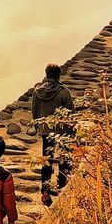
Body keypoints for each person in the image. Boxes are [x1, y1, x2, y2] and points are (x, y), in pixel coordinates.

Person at [30, 64, 75, 206]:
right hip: (62, 132)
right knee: (64, 158)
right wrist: (71, 130)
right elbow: (70, 113)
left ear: (46, 74)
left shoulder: (37, 92)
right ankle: (61, 185)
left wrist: (39, 126)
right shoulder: (63, 92)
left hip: (45, 131)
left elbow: (35, 112)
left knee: (46, 160)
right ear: (58, 75)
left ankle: (45, 191)